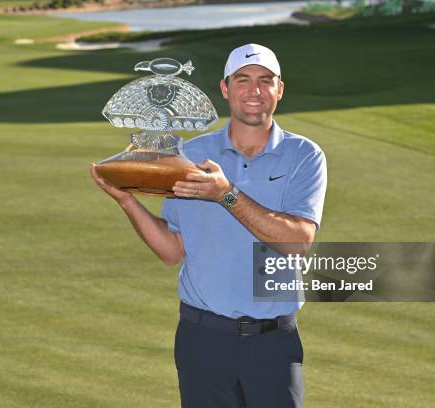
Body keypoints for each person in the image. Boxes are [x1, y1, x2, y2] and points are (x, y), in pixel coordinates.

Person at [91, 43, 327, 408]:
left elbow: (297, 242)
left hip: (273, 342)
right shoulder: (188, 157)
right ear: (225, 89)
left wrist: (225, 194)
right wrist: (127, 201)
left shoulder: (304, 156)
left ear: (280, 89)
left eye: (266, 81)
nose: (255, 91)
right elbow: (172, 251)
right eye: (243, 80)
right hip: (203, 338)